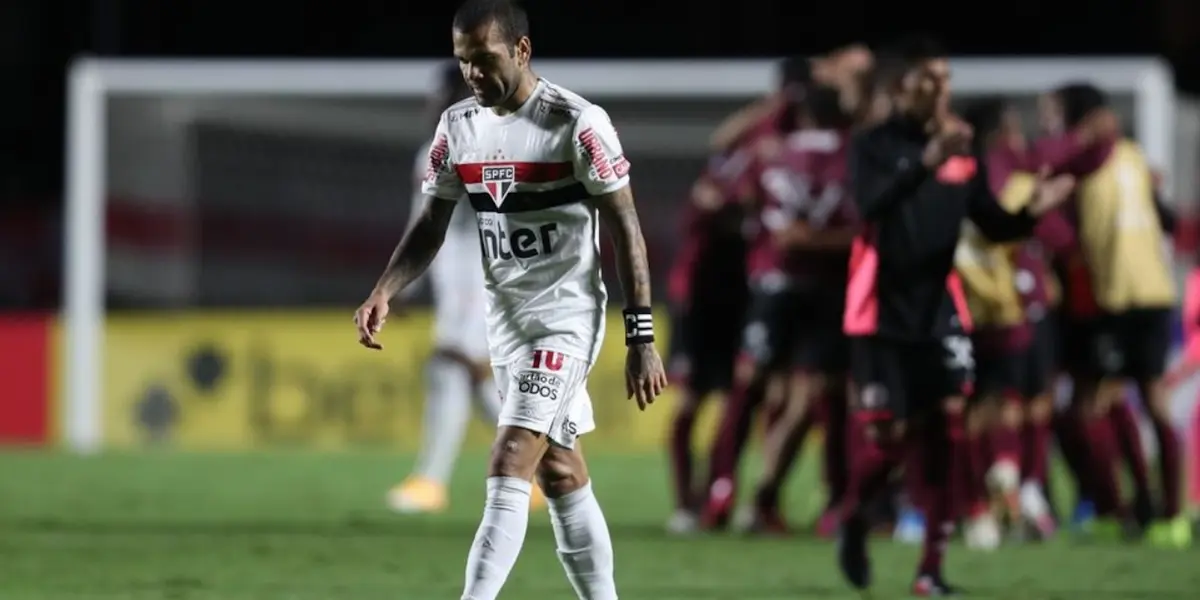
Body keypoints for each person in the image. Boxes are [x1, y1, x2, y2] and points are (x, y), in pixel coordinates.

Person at [353, 2, 668, 599]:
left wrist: (641, 338)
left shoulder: (576, 122)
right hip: (507, 320)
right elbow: (431, 224)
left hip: (567, 318)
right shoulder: (458, 127)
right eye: (463, 62)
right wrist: (383, 290)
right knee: (561, 469)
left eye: (484, 59)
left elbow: (626, 226)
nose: (473, 74)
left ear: (521, 51)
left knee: (510, 458)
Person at [838, 36, 1076, 595]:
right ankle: (854, 516)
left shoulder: (963, 154)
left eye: (945, 78)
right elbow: (868, 207)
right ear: (903, 88)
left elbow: (991, 225)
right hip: (881, 309)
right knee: (892, 438)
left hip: (939, 307)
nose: (940, 88)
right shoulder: (873, 146)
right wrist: (926, 163)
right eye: (928, 78)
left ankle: (931, 570)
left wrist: (1029, 215)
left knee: (949, 426)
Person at [701, 72, 858, 533]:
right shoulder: (856, 156)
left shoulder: (770, 152)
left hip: (774, 283)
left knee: (748, 386)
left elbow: (723, 195)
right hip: (830, 286)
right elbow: (870, 227)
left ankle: (722, 491)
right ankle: (786, 499)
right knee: (819, 395)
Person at [387, 62, 543, 515]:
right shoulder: (443, 147)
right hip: (459, 279)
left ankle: (431, 482)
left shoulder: (486, 141)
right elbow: (423, 224)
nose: (430, 104)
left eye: (439, 95)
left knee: (452, 367)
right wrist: (400, 285)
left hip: (483, 279)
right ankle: (538, 470)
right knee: (467, 376)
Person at [1049, 83, 1187, 546]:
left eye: (1055, 114)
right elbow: (1166, 220)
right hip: (1150, 292)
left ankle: (1131, 508)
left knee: (1094, 405)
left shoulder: (1084, 162)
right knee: (1140, 402)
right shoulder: (1132, 157)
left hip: (1120, 297)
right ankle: (1163, 513)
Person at [663, 155, 751, 534]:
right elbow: (697, 217)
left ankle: (718, 492)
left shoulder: (763, 186)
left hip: (739, 309)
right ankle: (686, 502)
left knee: (736, 408)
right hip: (695, 310)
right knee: (688, 406)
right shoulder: (716, 184)